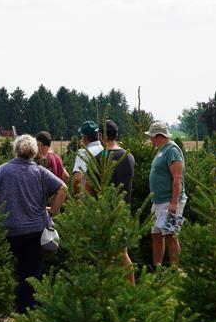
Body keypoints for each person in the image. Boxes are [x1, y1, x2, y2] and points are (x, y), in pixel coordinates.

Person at [0, 134, 67, 313]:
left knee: (5, 269)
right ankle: (26, 312)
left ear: (16, 150)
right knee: (30, 274)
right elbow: (63, 188)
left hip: (7, 229)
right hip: (34, 231)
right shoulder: (40, 172)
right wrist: (53, 210)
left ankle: (3, 306)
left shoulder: (2, 170)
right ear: (34, 152)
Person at [97, 119, 137, 284]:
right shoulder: (129, 156)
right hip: (124, 209)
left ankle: (111, 287)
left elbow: (91, 186)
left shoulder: (102, 156)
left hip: (105, 212)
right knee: (122, 252)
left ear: (101, 135)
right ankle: (130, 287)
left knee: (106, 253)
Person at [146, 121, 186, 267]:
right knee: (156, 235)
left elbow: (177, 177)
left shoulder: (172, 150)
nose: (150, 139)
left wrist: (174, 202)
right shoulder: (161, 150)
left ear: (159, 136)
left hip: (170, 201)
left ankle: (175, 271)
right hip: (158, 201)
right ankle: (158, 269)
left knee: (170, 235)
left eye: (151, 136)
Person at [72, 120, 104, 197]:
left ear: (84, 138)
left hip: (87, 200)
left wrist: (77, 201)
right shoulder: (104, 150)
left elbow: (77, 179)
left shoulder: (83, 153)